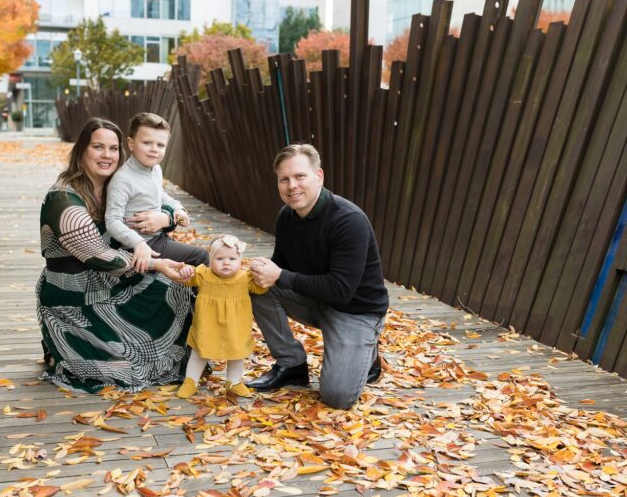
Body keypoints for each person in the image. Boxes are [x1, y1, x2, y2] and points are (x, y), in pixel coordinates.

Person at [36, 117, 194, 393]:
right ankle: (60, 343)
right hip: (74, 291)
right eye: (98, 147)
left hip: (114, 278)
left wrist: (166, 217)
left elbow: (158, 202)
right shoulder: (63, 199)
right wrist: (156, 263)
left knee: (178, 290)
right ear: (82, 149)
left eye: (113, 148)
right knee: (121, 368)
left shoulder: (115, 185)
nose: (107, 155)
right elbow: (99, 256)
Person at [247, 143, 388, 410]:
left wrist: (279, 275)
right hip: (315, 298)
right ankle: (291, 364)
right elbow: (281, 265)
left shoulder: (348, 220)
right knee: (257, 285)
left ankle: (367, 350)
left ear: (319, 176)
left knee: (337, 397)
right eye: (284, 179)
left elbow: (341, 290)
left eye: (300, 176)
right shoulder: (286, 216)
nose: (292, 186)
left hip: (355, 311)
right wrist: (254, 272)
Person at [105, 112, 209, 273]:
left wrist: (177, 208)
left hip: (158, 237)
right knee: (200, 256)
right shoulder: (123, 179)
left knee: (188, 264)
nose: (154, 149)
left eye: (160, 145)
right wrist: (138, 243)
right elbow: (112, 220)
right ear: (131, 144)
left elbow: (160, 195)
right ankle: (205, 297)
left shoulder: (155, 169)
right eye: (147, 143)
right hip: (142, 244)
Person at [173, 235, 269, 399]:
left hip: (236, 325)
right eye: (219, 258)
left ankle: (234, 381)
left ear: (240, 260)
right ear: (211, 259)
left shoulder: (245, 278)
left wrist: (262, 273)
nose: (226, 262)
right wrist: (186, 270)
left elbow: (260, 288)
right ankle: (190, 381)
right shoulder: (204, 274)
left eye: (232, 258)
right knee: (200, 351)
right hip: (207, 324)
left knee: (237, 352)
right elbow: (189, 279)